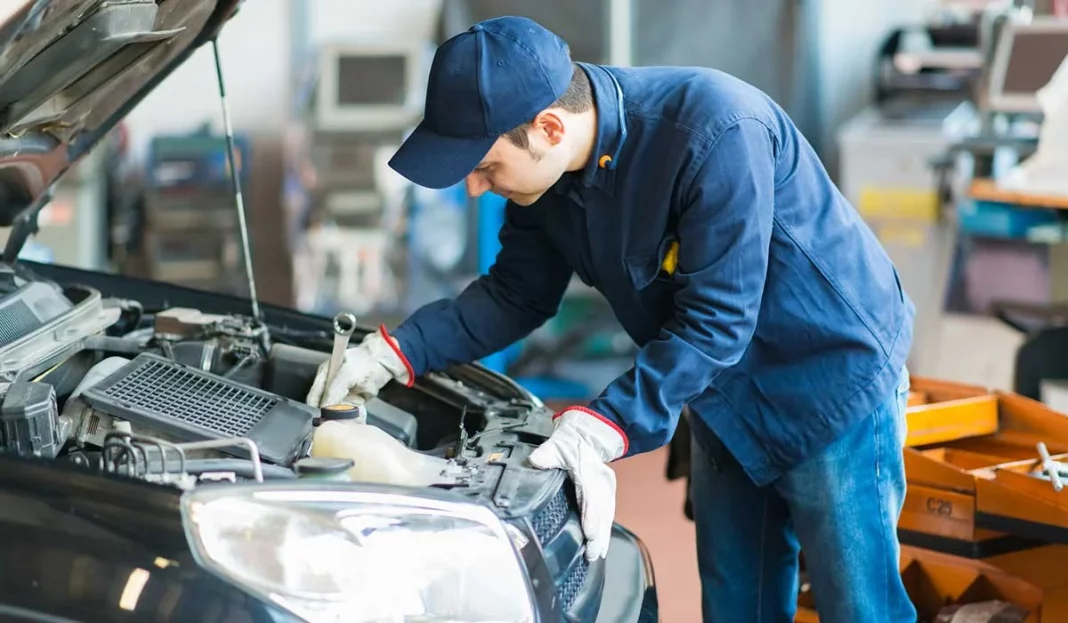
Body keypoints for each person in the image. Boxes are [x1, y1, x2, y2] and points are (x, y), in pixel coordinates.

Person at [305, 15, 916, 623]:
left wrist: (604, 426)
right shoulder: (544, 182)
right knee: (737, 603)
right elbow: (516, 293)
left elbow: (719, 320)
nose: (474, 188)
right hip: (720, 395)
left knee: (860, 608)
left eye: (485, 167)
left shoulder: (716, 130)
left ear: (547, 128)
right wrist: (395, 350)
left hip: (830, 384)